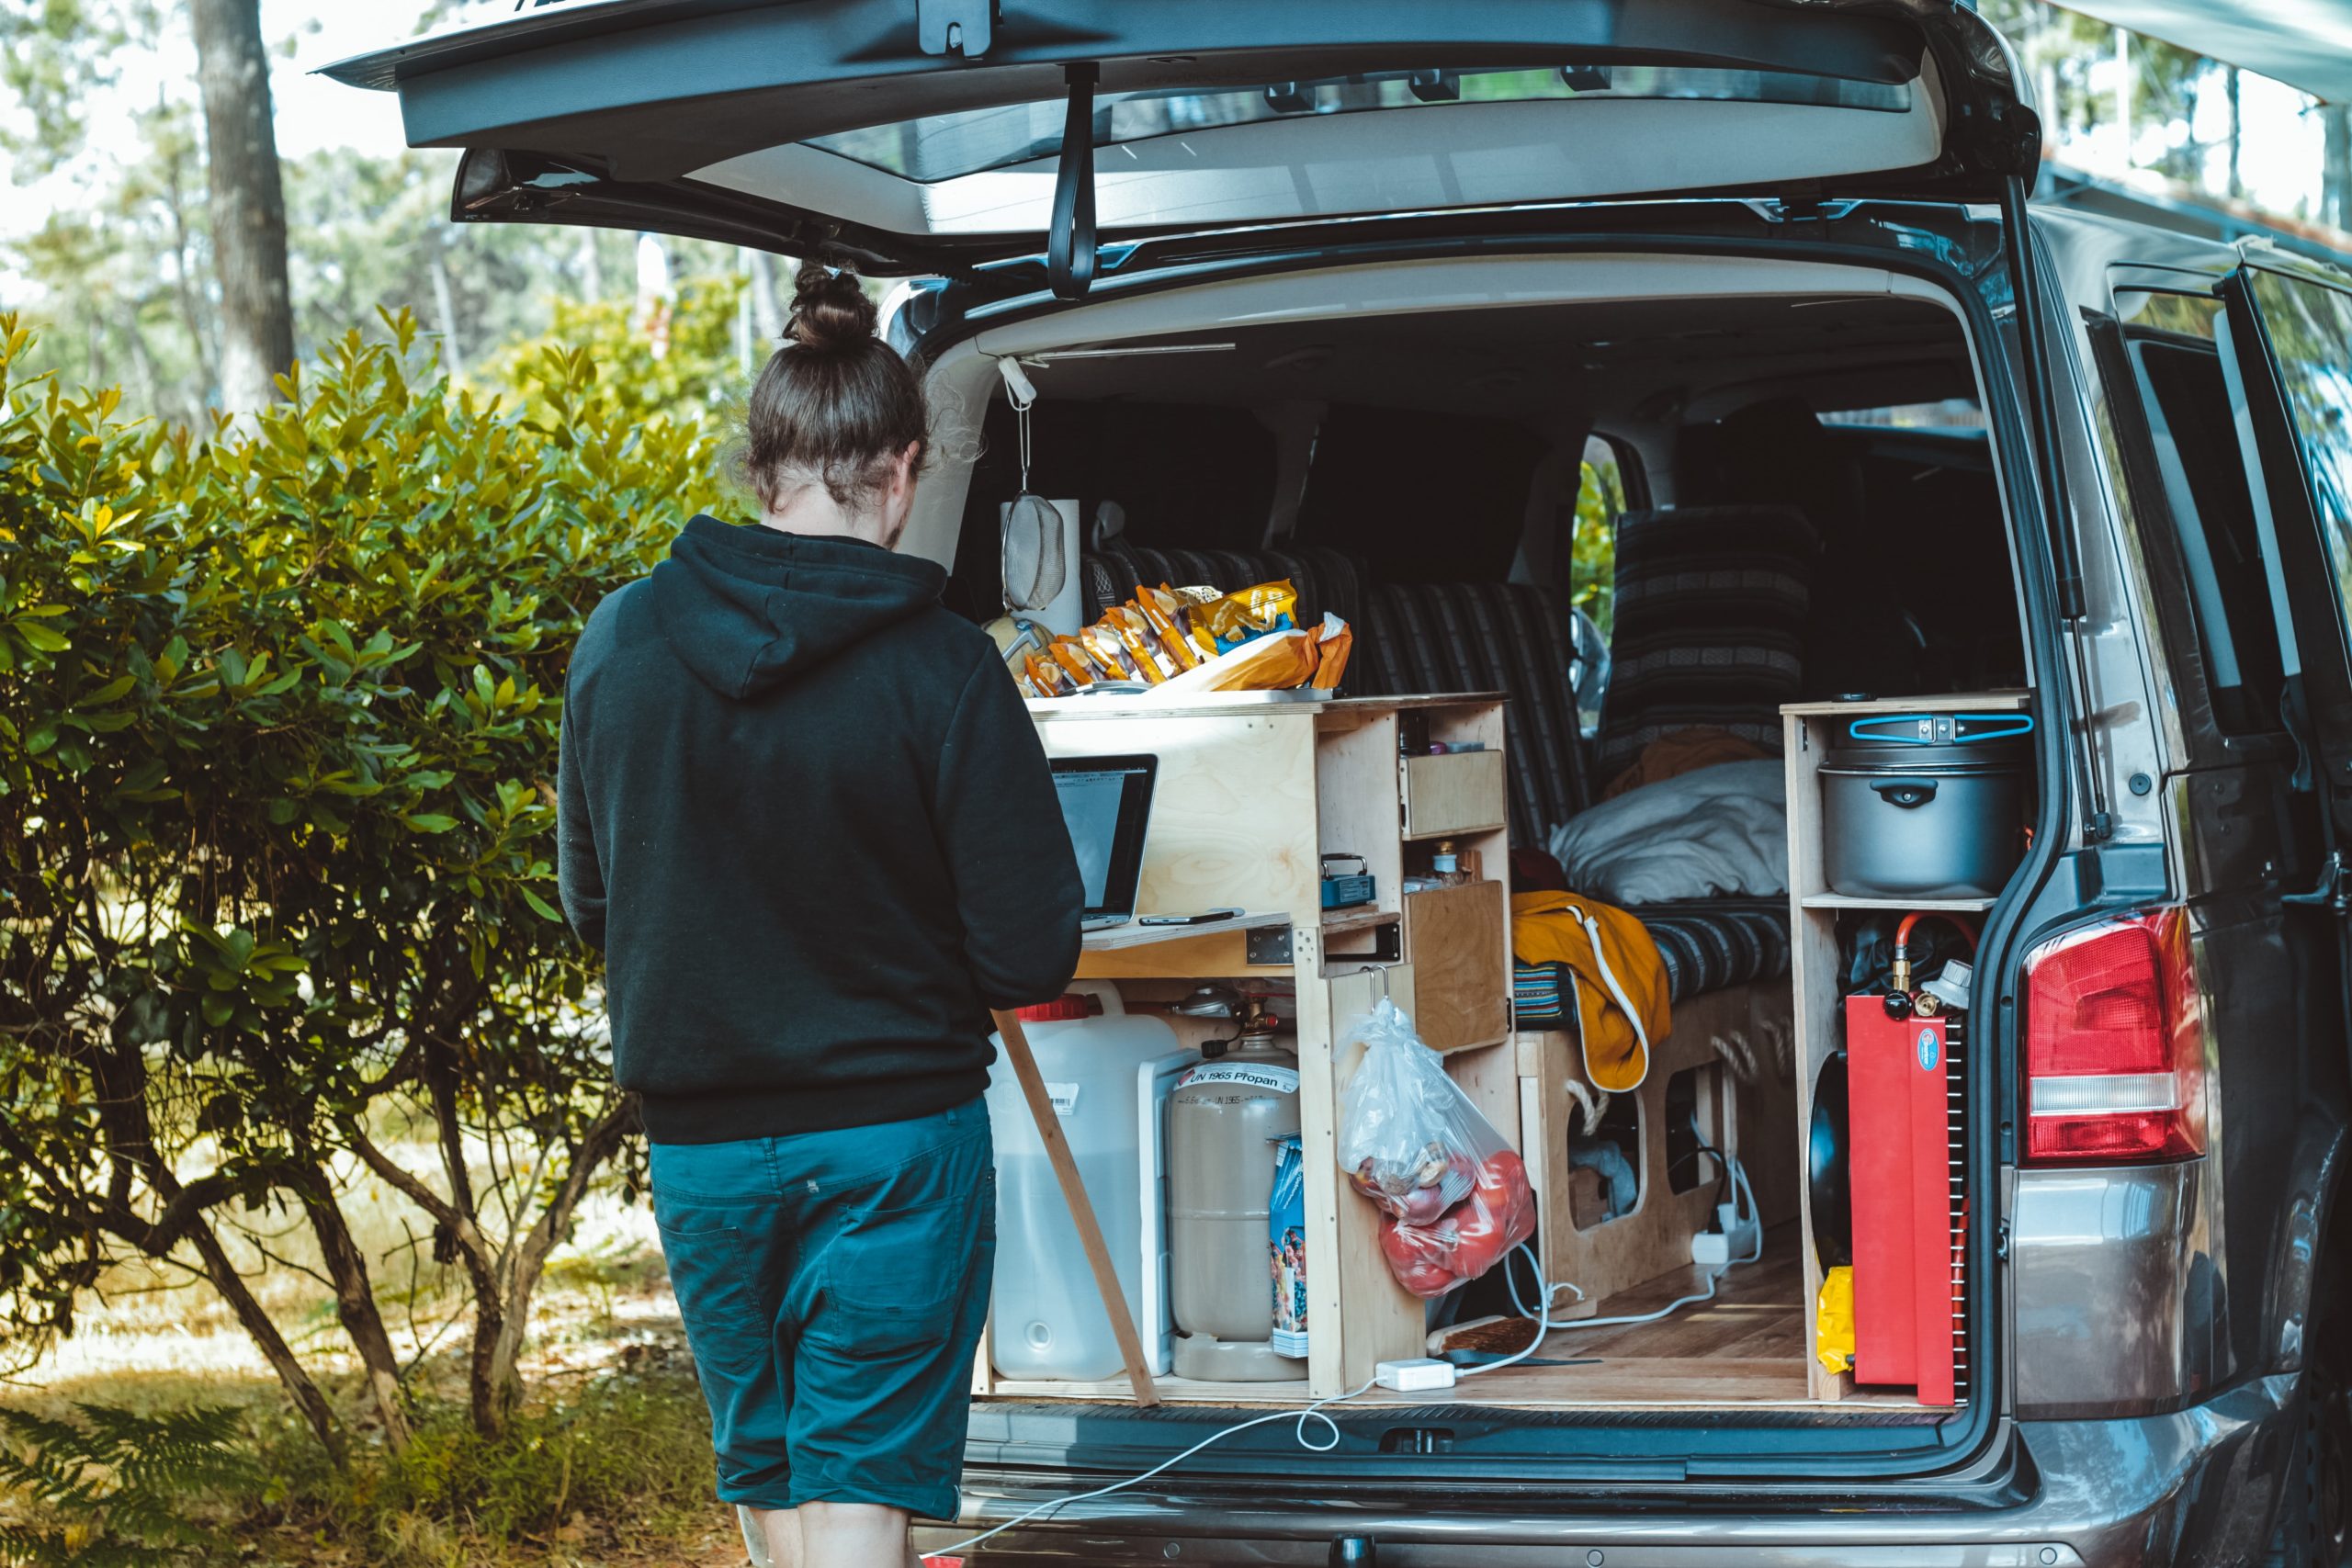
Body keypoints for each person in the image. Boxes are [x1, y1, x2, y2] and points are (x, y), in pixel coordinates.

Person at [556, 265, 1083, 1568]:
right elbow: (1028, 953)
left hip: (703, 1151)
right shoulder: (944, 666)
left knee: (781, 1472)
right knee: (856, 1486)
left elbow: (591, 904)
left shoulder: (618, 644)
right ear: (901, 474)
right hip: (894, 1143)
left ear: (760, 466)